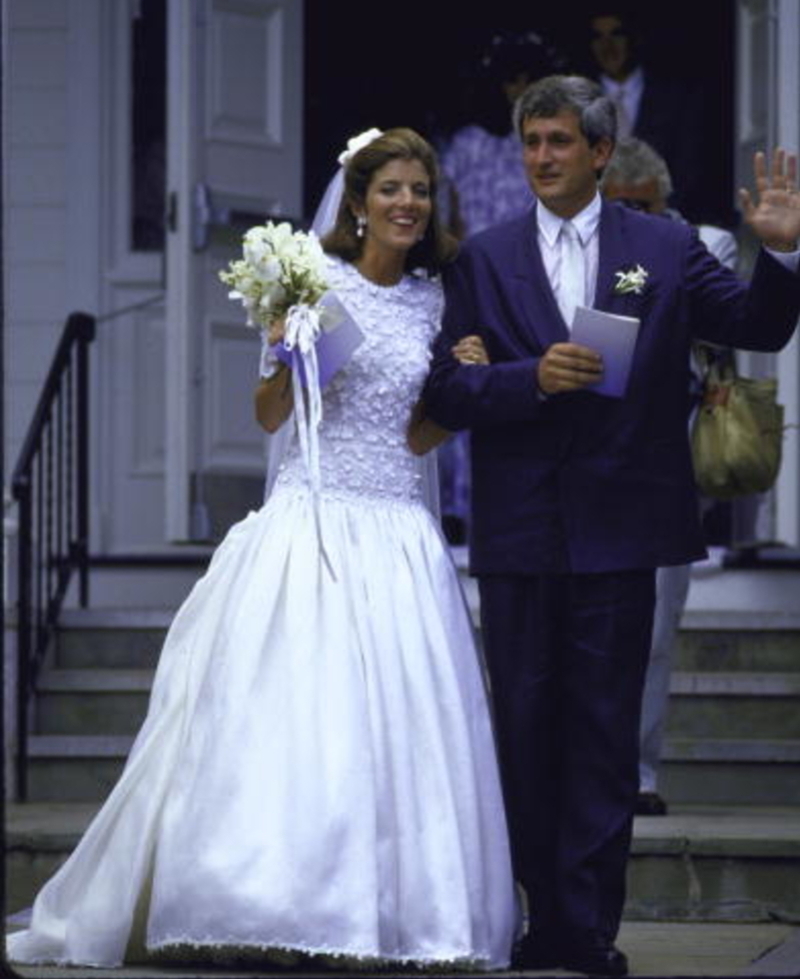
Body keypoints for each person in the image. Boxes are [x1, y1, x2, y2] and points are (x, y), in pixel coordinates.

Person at [7, 128, 516, 970]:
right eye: (390, 189)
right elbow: (271, 418)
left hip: (395, 529)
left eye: (419, 192)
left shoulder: (435, 302)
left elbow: (419, 434)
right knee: (298, 718)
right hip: (310, 521)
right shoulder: (318, 286)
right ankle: (259, 898)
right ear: (358, 201)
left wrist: (467, 379)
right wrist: (291, 346)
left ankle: (391, 916)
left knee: (398, 731)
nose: (406, 205)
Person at [423, 74, 800, 978]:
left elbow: (757, 325)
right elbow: (444, 392)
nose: (542, 158)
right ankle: (532, 915)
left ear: (599, 150)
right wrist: (527, 378)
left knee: (601, 734)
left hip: (623, 527)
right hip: (519, 533)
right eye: (532, 142)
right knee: (523, 730)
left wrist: (782, 255)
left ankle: (585, 927)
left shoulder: (663, 246)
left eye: (559, 141)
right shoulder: (483, 257)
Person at [601, 136, 739, 817]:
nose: (634, 219)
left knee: (657, 621)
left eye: (644, 207)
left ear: (666, 200)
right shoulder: (592, 245)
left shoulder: (703, 242)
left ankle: (641, 769)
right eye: (619, 208)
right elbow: (603, 343)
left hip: (673, 448)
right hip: (597, 446)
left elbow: (691, 316)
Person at [437, 31, 566, 543]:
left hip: (535, 278)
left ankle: (526, 507)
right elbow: (448, 215)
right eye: (511, 80)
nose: (519, 90)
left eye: (528, 80)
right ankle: (461, 507)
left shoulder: (545, 149)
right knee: (470, 376)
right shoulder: (468, 144)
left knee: (528, 381)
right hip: (473, 274)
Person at [586, 7, 720, 225]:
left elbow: (690, 168)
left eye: (616, 34)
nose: (607, 46)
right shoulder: (577, 102)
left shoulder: (677, 97)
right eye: (598, 37)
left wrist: (660, 221)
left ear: (634, 39)